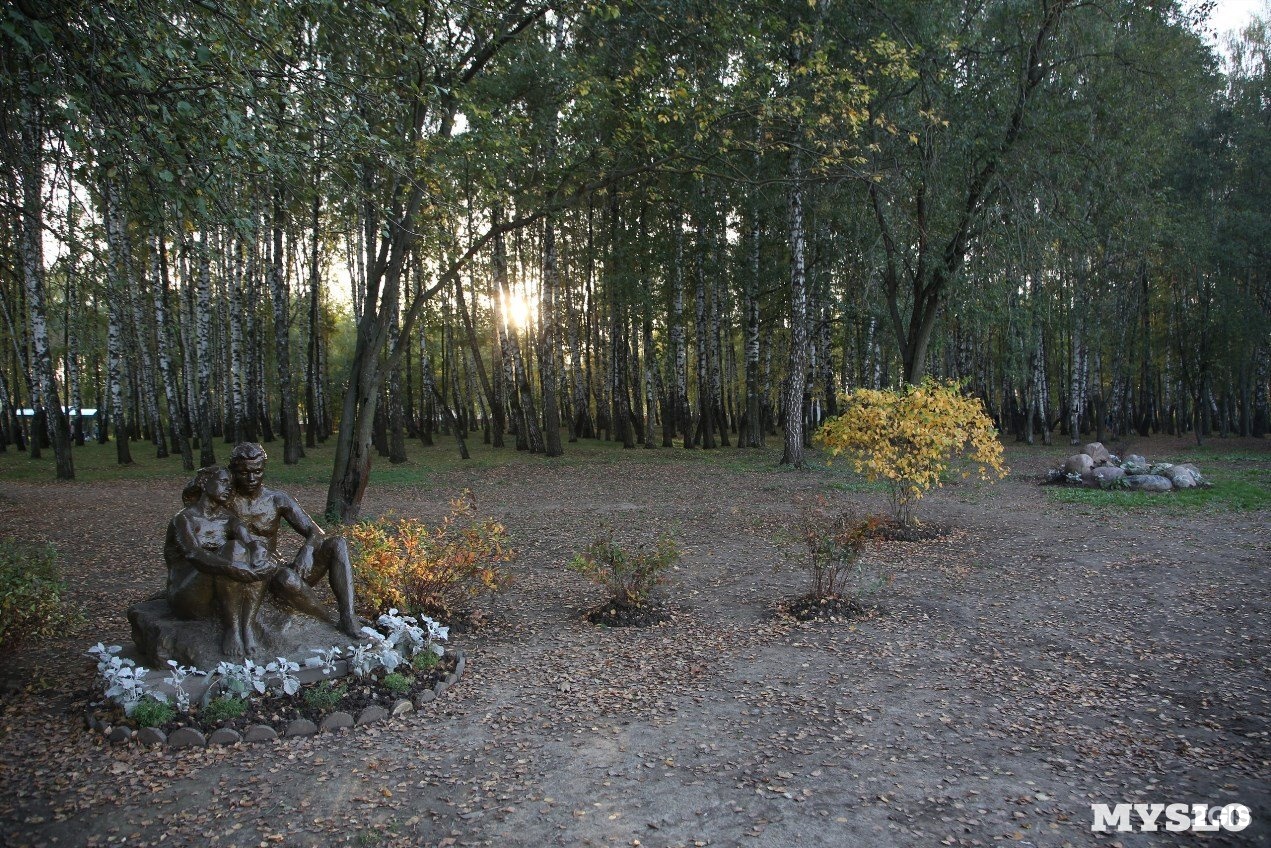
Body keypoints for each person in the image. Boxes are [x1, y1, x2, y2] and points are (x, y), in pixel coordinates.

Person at [227, 442, 363, 638]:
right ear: (232, 471)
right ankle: (329, 621)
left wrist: (307, 550)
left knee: (337, 544)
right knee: (287, 578)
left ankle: (348, 617)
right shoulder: (225, 501)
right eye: (243, 472)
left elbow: (315, 532)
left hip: (274, 569)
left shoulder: (277, 499)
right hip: (244, 576)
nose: (251, 478)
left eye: (257, 471)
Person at [164, 466, 279, 658]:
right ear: (204, 483)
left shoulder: (230, 520)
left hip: (218, 594)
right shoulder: (184, 519)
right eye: (223, 482)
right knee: (232, 552)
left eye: (231, 485)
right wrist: (230, 567)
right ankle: (232, 629)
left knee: (248, 552)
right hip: (187, 595)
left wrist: (266, 559)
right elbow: (194, 554)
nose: (229, 489)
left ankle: (246, 626)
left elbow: (251, 542)